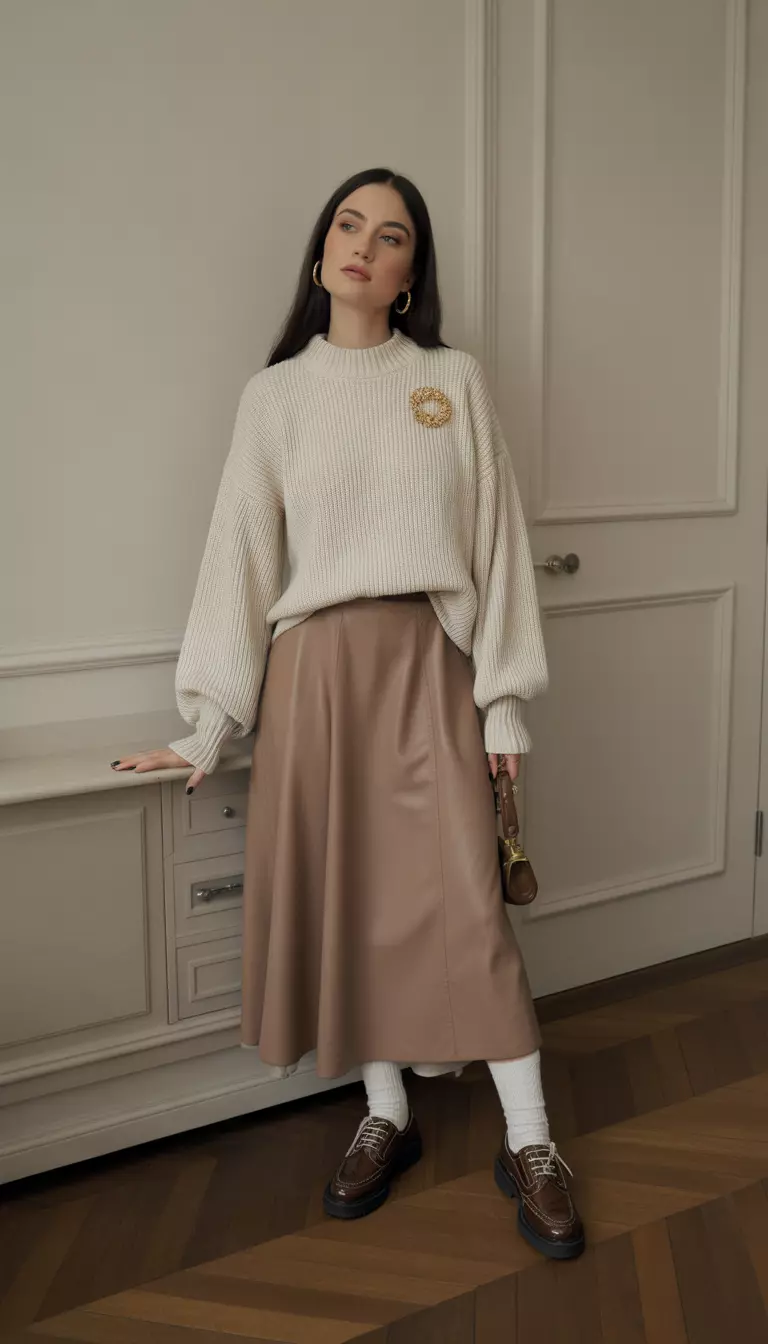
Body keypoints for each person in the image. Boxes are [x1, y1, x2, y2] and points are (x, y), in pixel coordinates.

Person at [111, 167, 584, 1261]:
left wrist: (502, 708)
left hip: (427, 663)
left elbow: (500, 550)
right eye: (347, 224)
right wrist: (208, 720)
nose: (362, 245)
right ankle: (388, 1113)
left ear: (414, 274)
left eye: (392, 235)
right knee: (352, 903)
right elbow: (239, 553)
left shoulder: (451, 382)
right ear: (321, 248)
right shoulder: (273, 396)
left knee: (471, 909)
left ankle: (533, 1142)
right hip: (312, 676)